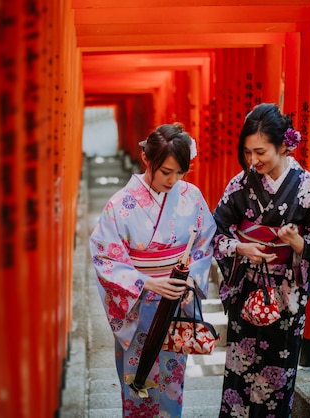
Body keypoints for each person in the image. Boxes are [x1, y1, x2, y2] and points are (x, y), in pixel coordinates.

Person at [213, 103, 310, 417]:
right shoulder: (240, 185)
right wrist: (240, 248)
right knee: (240, 374)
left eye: (260, 152)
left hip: (286, 296)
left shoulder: (308, 187)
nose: (252, 160)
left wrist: (299, 243)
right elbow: (214, 231)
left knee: (279, 375)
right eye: (247, 153)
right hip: (247, 290)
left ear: (284, 145)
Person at [89, 123, 216, 417]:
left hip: (175, 305)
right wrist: (145, 282)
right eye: (166, 172)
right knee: (139, 382)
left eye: (180, 173)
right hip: (139, 307)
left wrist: (190, 283)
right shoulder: (120, 205)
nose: (173, 180)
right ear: (147, 160)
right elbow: (106, 257)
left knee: (172, 382)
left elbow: (204, 243)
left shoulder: (192, 197)